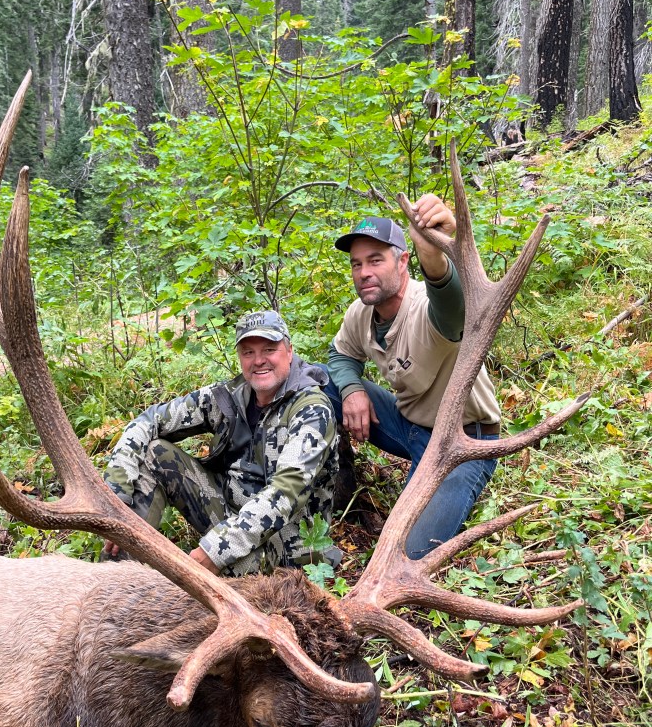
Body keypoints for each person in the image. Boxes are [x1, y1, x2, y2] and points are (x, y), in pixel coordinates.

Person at [324, 195, 501, 560]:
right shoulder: (361, 313)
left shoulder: (426, 307)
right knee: (319, 380)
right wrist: (353, 390)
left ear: (403, 261)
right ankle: (323, 488)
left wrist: (433, 256)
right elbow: (339, 355)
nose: (364, 272)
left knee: (404, 554)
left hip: (462, 444)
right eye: (357, 264)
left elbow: (451, 307)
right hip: (409, 427)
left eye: (376, 260)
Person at [101, 310, 338, 576]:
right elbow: (149, 420)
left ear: (289, 351)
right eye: (248, 352)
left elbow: (286, 493)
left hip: (285, 546)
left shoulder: (311, 411)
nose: (258, 360)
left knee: (207, 581)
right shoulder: (229, 398)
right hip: (230, 517)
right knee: (156, 453)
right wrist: (117, 494)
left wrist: (218, 549)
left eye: (269, 350)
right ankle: (116, 576)